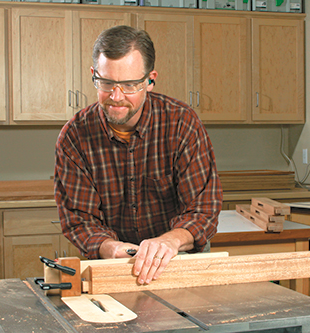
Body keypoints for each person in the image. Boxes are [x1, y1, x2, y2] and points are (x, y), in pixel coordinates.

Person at [54, 25, 222, 286]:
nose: (116, 97)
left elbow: (203, 211)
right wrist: (110, 248)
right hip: (115, 267)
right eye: (106, 83)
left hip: (179, 263)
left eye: (130, 85)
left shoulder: (182, 123)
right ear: (93, 75)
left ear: (150, 80)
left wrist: (169, 241)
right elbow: (79, 220)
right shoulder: (74, 137)